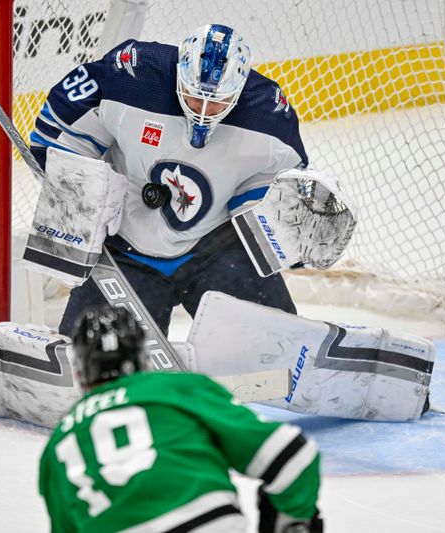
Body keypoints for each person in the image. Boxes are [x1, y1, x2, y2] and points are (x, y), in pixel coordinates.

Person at [29, 24, 309, 336]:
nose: (203, 110)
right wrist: (83, 194)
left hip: (216, 249)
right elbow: (51, 136)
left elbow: (279, 190)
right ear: (179, 73)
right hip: (124, 252)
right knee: (93, 372)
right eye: (193, 96)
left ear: (240, 88)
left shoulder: (268, 117)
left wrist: (291, 232)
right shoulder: (133, 77)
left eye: (217, 101)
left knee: (279, 351)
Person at [38, 305, 323, 532]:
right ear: (142, 358)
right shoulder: (176, 388)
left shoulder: (57, 445)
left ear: (78, 371)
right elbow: (293, 456)